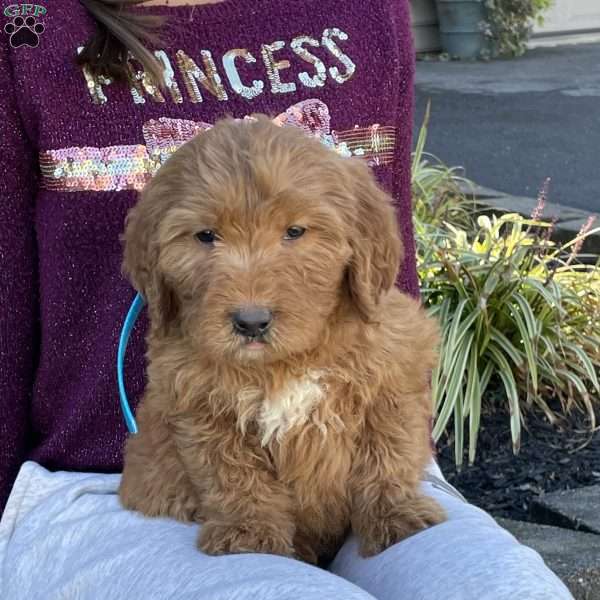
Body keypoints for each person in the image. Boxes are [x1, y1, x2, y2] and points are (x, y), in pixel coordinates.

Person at [0, 0, 573, 598]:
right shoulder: (27, 22)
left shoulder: (366, 12)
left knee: (509, 589)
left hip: (361, 478)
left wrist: (392, 477)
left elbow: (380, 262)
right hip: (106, 485)